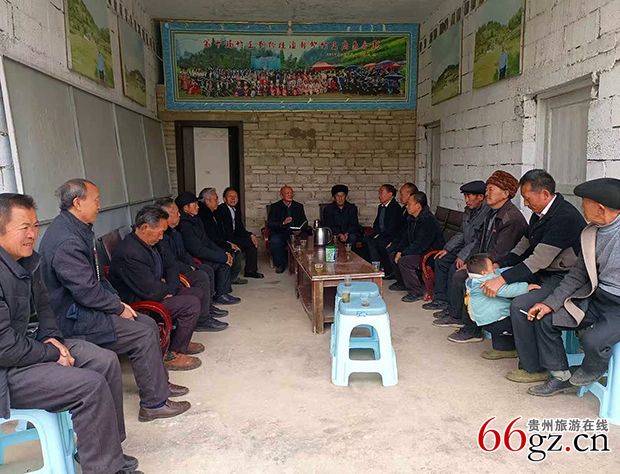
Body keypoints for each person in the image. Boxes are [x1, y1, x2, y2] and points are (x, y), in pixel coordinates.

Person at [0, 193, 141, 474]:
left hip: (29, 346)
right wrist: (52, 352)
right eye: (24, 227)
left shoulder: (27, 261)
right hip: (5, 370)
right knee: (89, 386)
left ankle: (108, 450)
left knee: (105, 361)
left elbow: (45, 307)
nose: (32, 234)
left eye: (35, 226)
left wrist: (50, 336)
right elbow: (5, 349)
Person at [38, 179, 191, 419]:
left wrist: (118, 303)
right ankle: (153, 404)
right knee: (141, 333)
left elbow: (98, 279)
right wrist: (117, 308)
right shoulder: (67, 240)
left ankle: (159, 385)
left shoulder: (77, 229)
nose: (100, 206)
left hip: (86, 309)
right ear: (78, 203)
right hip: (74, 318)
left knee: (147, 323)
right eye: (96, 200)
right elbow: (86, 291)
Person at [519, 178, 620, 396]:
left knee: (593, 340)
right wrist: (550, 304)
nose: (581, 207)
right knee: (545, 319)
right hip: (597, 297)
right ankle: (560, 376)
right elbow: (577, 275)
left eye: (584, 203)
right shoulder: (589, 233)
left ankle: (593, 368)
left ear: (600, 208)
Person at [486, 170, 587, 384]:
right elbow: (523, 246)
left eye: (527, 198)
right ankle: (507, 345)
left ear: (544, 194)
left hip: (563, 277)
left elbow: (538, 259)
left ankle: (533, 368)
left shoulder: (564, 217)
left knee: (520, 305)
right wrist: (499, 265)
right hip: (543, 272)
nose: (525, 203)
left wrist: (502, 279)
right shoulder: (539, 214)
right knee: (488, 288)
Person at [109, 206, 221, 368]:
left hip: (158, 290)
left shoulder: (152, 242)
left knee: (197, 292)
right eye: (160, 232)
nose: (162, 237)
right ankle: (172, 354)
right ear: (145, 227)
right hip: (139, 303)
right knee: (190, 304)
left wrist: (170, 290)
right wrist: (167, 290)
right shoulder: (130, 252)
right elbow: (151, 291)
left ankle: (178, 340)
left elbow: (171, 266)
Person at [439, 171, 527, 343]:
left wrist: (475, 266)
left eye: (491, 189)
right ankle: (457, 316)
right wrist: (470, 261)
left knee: (465, 277)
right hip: (488, 261)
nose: (487, 193)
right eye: (487, 189)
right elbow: (479, 240)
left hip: (504, 265)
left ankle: (472, 329)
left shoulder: (511, 218)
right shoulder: (492, 212)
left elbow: (501, 252)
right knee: (460, 272)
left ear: (505, 193)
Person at [154, 198, 230, 327]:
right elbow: (170, 263)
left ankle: (208, 307)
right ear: (166, 215)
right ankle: (202, 320)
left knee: (205, 269)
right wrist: (189, 268)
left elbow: (183, 253)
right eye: (176, 212)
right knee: (201, 275)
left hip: (181, 267)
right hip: (172, 274)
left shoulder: (174, 233)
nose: (179, 215)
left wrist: (193, 265)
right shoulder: (162, 237)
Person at [423, 180, 490, 312]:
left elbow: (477, 241)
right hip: (465, 247)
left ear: (480, 197)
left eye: (469, 196)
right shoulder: (469, 210)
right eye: (465, 196)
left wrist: (463, 256)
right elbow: (462, 233)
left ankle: (452, 307)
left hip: (476, 252)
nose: (466, 200)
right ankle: (440, 300)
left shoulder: (486, 213)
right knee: (441, 260)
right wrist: (447, 249)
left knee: (455, 268)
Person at [464, 254, 540, 359]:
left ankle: (504, 349)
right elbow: (506, 290)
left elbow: (499, 272)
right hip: (496, 321)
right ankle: (528, 354)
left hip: (485, 319)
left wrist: (515, 270)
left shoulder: (472, 280)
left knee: (503, 317)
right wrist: (526, 287)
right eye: (491, 267)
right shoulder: (485, 282)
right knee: (522, 322)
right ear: (484, 273)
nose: (494, 269)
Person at [175, 192, 240, 305]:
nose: (198, 207)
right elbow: (197, 249)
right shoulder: (185, 225)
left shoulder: (196, 219)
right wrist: (222, 257)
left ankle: (222, 292)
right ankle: (220, 294)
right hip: (194, 257)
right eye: (195, 204)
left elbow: (207, 241)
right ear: (186, 207)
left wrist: (223, 253)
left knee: (225, 256)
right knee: (222, 263)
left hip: (202, 251)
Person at [389, 192, 445, 303]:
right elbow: (405, 238)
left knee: (404, 261)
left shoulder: (428, 220)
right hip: (418, 251)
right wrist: (399, 250)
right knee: (393, 254)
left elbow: (421, 245)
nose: (406, 206)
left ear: (418, 206)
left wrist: (404, 253)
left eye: (409, 204)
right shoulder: (412, 218)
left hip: (430, 254)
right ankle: (402, 283)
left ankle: (416, 292)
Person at [198, 187, 245, 285]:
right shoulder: (204, 215)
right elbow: (211, 238)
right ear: (207, 200)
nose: (218, 202)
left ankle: (231, 278)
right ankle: (228, 281)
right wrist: (228, 244)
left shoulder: (212, 213)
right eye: (216, 199)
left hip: (216, 242)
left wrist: (227, 242)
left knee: (238, 247)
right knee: (232, 251)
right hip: (208, 246)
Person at [217, 187, 264, 279]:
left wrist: (251, 235)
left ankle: (250, 271)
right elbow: (221, 231)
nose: (233, 198)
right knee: (247, 242)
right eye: (230, 196)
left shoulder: (236, 210)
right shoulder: (221, 210)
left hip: (234, 237)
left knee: (252, 241)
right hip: (225, 239)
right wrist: (229, 243)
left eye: (235, 196)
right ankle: (235, 275)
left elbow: (240, 229)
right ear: (224, 199)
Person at [267, 185, 309, 273]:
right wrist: (283, 223)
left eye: (291, 193)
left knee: (307, 235)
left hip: (295, 232)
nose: (290, 195)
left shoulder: (299, 206)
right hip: (281, 232)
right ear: (281, 195)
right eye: (287, 193)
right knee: (275, 240)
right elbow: (270, 223)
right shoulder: (275, 207)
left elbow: (304, 221)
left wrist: (300, 229)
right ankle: (280, 265)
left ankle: (304, 263)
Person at [363, 184, 402, 275]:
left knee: (376, 243)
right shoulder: (381, 207)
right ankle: (372, 266)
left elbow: (392, 228)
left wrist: (379, 236)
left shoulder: (395, 208)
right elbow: (376, 224)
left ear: (390, 194)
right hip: (381, 235)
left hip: (391, 237)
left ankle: (379, 268)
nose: (379, 195)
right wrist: (375, 234)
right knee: (365, 240)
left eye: (381, 192)